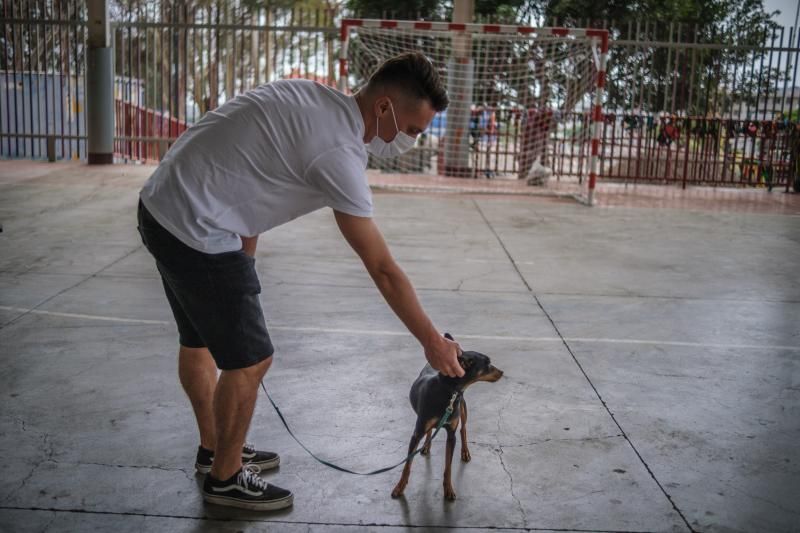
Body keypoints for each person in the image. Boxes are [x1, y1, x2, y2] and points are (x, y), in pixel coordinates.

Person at [136, 52, 463, 512]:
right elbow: (383, 270)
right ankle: (225, 480)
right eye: (412, 129)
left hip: (162, 204)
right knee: (250, 361)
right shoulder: (340, 154)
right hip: (197, 229)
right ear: (385, 107)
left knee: (199, 343)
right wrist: (432, 341)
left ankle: (214, 450)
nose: (411, 141)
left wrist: (243, 254)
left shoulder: (309, 94)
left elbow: (245, 161)